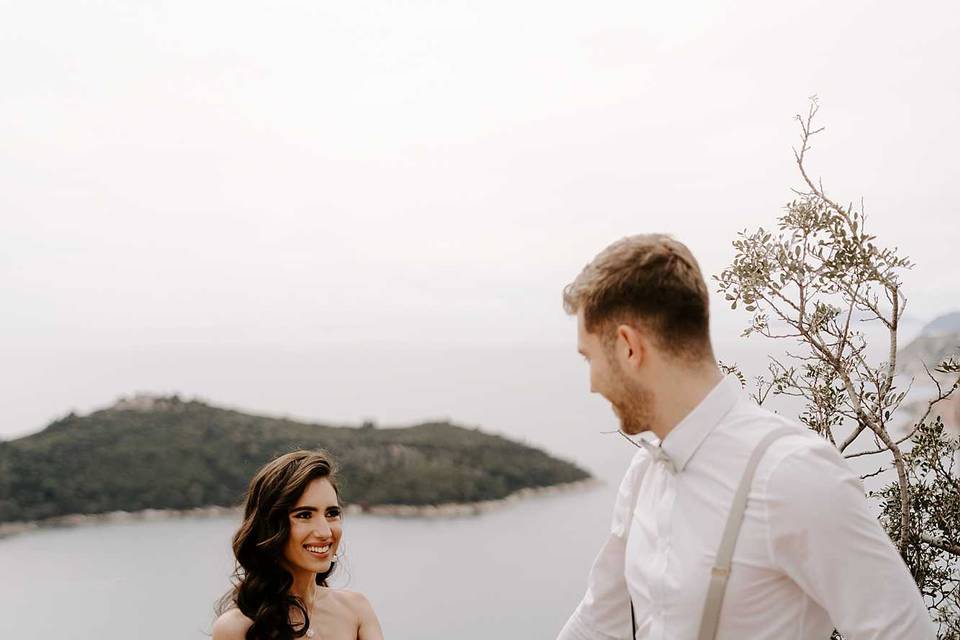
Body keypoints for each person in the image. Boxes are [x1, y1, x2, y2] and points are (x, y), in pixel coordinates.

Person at [556, 234, 933, 639]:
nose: (592, 384)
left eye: (589, 358)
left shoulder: (792, 473)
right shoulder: (644, 474)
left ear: (629, 347)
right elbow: (598, 624)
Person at [213, 450, 384, 640]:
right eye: (304, 515)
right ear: (271, 526)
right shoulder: (237, 628)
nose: (325, 532)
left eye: (332, 513)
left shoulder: (356, 610)